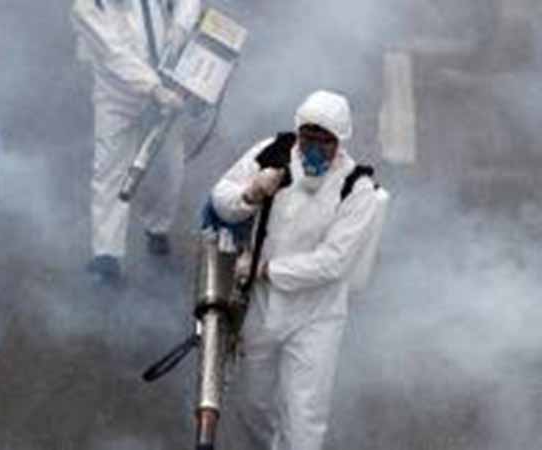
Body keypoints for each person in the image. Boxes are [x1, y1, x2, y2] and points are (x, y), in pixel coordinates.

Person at [211, 90, 379, 450]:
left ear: (340, 142)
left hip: (317, 316)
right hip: (260, 309)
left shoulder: (356, 188)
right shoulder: (272, 152)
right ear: (298, 132)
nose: (314, 148)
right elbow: (220, 200)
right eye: (308, 137)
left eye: (325, 141)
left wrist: (265, 270)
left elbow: (333, 262)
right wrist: (250, 194)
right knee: (253, 404)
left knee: (304, 416)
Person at [71, 0, 202, 283]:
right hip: (117, 95)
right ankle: (106, 255)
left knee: (168, 166)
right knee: (109, 170)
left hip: (168, 81)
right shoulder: (87, 6)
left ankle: (158, 228)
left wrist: (180, 31)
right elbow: (114, 54)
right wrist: (154, 89)